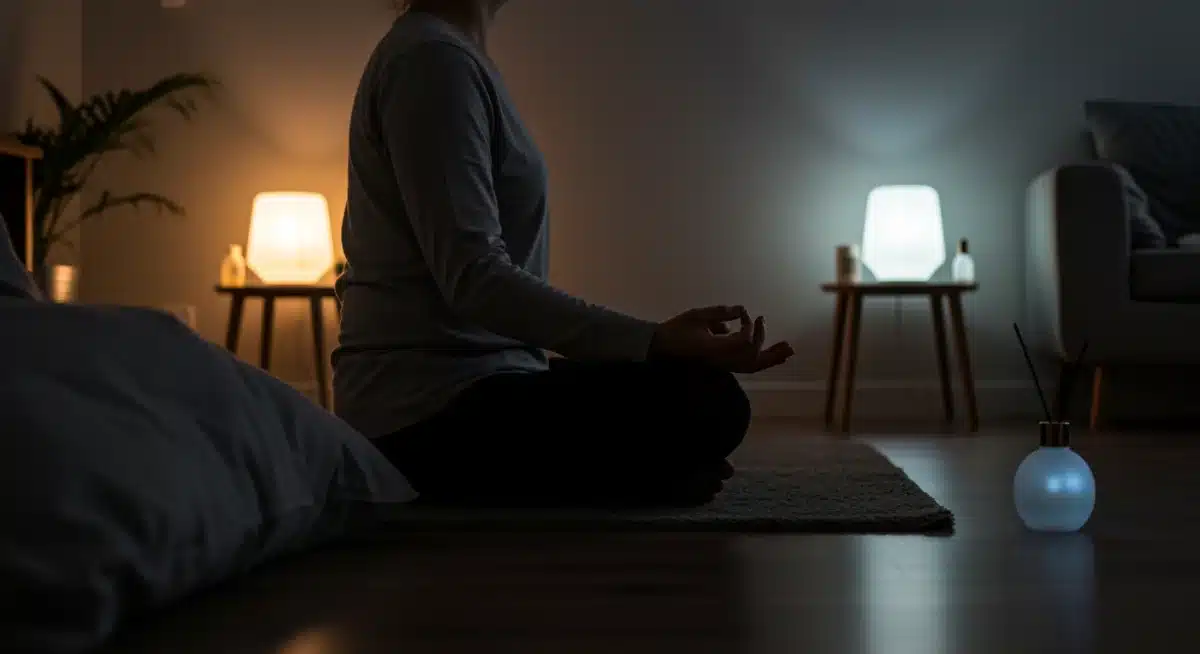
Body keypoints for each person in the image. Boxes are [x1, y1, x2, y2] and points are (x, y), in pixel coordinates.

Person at [333, 0, 794, 508]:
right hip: (422, 411)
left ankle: (626, 474)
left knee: (705, 393)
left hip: (490, 378)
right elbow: (476, 279)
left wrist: (656, 346)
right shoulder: (429, 61)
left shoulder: (453, 57)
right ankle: (625, 479)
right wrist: (655, 340)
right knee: (706, 404)